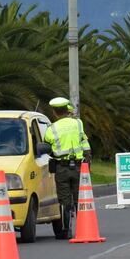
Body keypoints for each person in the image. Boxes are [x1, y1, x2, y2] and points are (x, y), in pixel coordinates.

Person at [44, 97, 91, 239]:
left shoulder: (51, 129)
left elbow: (47, 145)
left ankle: (66, 231)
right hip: (78, 166)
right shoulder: (78, 123)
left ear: (54, 112)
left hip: (61, 167)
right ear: (67, 109)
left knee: (64, 198)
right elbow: (84, 142)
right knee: (80, 197)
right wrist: (87, 160)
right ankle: (85, 227)